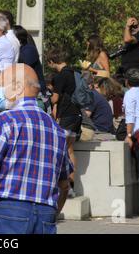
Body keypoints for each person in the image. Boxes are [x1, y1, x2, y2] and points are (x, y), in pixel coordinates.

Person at [0, 64, 72, 234]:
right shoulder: (56, 129)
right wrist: (51, 214)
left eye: (0, 86)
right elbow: (64, 184)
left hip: (7, 211)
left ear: (17, 87)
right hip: (45, 214)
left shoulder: (5, 120)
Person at [46, 47, 82, 197]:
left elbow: (55, 98)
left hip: (66, 115)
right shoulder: (75, 73)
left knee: (61, 150)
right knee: (70, 150)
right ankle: (71, 186)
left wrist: (47, 97)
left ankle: (65, 186)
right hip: (76, 115)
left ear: (53, 61)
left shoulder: (61, 77)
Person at [13, 25, 46, 94]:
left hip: (35, 94)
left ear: (19, 39)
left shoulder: (29, 50)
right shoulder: (19, 50)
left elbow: (22, 70)